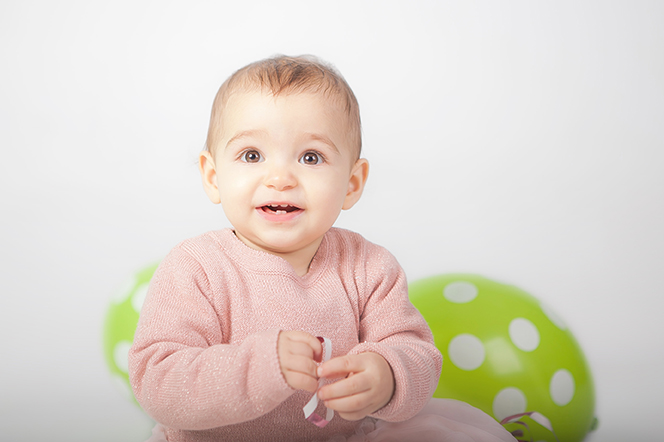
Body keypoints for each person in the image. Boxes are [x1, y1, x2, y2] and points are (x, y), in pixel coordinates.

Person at [128, 55, 515, 442]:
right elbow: (158, 380)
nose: (280, 178)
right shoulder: (196, 267)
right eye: (252, 155)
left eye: (311, 157)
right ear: (213, 177)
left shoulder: (369, 267)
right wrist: (258, 366)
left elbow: (415, 351)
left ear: (351, 183)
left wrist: (387, 375)